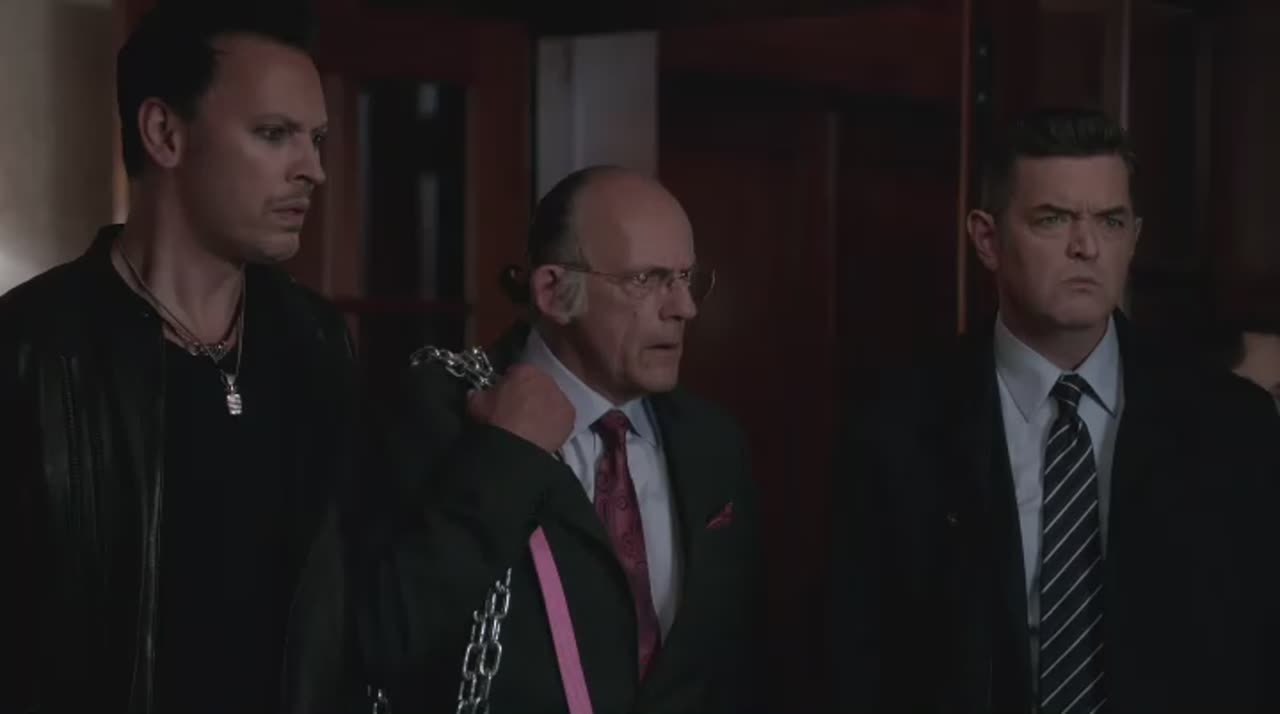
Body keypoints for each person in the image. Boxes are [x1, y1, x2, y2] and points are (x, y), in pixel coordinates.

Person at [828, 108, 1280, 713]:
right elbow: (855, 663)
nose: (1086, 247)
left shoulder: (1233, 425)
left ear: (1134, 238)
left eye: (1110, 221)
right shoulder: (895, 427)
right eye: (1054, 219)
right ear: (987, 239)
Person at [0, 3, 364, 711]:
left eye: (316, 139)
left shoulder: (315, 342)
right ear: (164, 133)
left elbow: (341, 612)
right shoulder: (32, 349)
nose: (314, 170)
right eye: (274, 134)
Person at [377, 166, 765, 713]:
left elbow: (738, 662)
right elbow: (385, 638)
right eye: (646, 280)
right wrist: (507, 456)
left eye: (687, 278)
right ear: (555, 292)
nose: (685, 307)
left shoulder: (714, 442)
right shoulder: (437, 414)